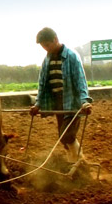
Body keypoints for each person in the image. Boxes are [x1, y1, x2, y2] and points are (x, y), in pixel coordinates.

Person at [29, 27, 92, 163]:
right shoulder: (47, 60)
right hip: (57, 102)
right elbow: (42, 84)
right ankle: (74, 159)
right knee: (62, 136)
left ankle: (79, 160)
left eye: (47, 44)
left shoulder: (72, 56)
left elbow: (80, 80)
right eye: (43, 46)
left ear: (55, 40)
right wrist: (38, 104)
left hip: (72, 102)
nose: (45, 48)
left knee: (67, 135)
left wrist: (84, 101)